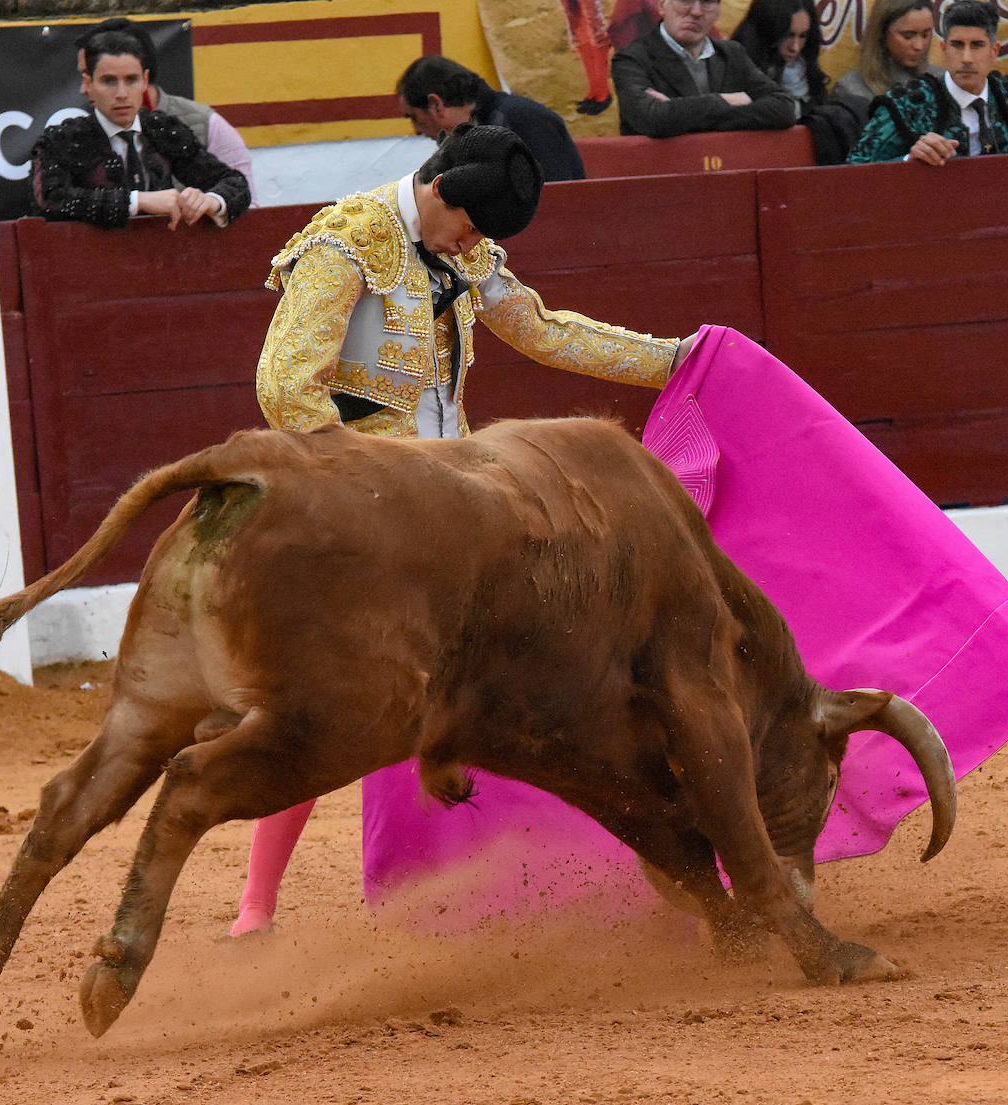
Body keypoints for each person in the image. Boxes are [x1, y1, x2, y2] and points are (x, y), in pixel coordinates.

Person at [235, 122, 689, 935]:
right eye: (470, 227)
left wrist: (673, 359)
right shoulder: (347, 248)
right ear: (438, 189)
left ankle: (573, 876)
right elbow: (284, 389)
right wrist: (367, 486)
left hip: (457, 514)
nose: (474, 245)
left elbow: (544, 330)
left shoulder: (464, 246)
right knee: (328, 704)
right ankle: (254, 909)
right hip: (367, 515)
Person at [30, 30, 250, 230]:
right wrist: (137, 201)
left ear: (145, 81)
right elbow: (50, 201)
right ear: (88, 84)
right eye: (109, 81)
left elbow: (235, 183)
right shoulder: (62, 140)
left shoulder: (162, 129)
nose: (122, 93)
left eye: (131, 80)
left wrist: (211, 201)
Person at [847, 0, 1008, 164]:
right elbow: (855, 167)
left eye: (977, 46)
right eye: (957, 45)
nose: (967, 58)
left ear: (994, 51)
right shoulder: (908, 103)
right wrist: (909, 160)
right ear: (943, 49)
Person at [74, 18, 257, 201]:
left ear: (144, 76)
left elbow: (247, 206)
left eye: (129, 78)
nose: (83, 89)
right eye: (105, 79)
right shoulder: (75, 137)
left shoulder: (205, 123)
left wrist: (213, 203)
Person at [611, 0, 797, 138]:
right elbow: (652, 119)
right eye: (685, 1)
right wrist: (725, 100)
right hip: (662, 176)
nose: (696, 11)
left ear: (718, 12)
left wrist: (679, 114)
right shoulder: (632, 59)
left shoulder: (731, 54)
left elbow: (784, 108)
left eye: (707, 2)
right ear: (661, 5)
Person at [396, 55, 586, 181]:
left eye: (414, 117)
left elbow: (558, 199)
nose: (417, 130)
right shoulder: (459, 138)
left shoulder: (523, 119)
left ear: (436, 105)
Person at [829, 0, 944, 126]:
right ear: (881, 34)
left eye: (926, 35)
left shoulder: (941, 80)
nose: (919, 46)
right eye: (908, 36)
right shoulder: (852, 89)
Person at [731, 0, 828, 120]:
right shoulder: (733, 69)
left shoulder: (810, 77)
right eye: (788, 35)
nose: (794, 47)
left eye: (802, 36)